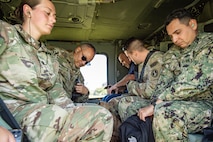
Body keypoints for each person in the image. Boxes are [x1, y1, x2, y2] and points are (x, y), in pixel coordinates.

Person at [0, 0, 113, 142]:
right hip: (10, 114)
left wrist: (75, 109)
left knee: (102, 116)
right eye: (48, 13)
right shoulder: (7, 34)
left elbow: (56, 93)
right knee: (55, 115)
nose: (53, 19)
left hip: (44, 113)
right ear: (28, 11)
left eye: (54, 15)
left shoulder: (47, 56)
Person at [136, 8, 213, 141]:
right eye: (171, 36)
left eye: (178, 32)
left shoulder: (208, 44)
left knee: (164, 113)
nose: (175, 39)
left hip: (206, 105)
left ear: (193, 25)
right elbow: (163, 82)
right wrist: (154, 102)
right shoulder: (173, 53)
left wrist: (157, 105)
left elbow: (193, 82)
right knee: (135, 107)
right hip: (180, 102)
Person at [100, 37, 163, 141]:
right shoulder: (142, 63)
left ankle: (133, 136)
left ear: (135, 53)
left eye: (129, 57)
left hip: (157, 99)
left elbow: (149, 91)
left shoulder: (156, 61)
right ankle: (116, 135)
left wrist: (130, 84)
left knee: (125, 104)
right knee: (112, 102)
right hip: (145, 96)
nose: (129, 60)